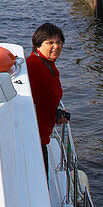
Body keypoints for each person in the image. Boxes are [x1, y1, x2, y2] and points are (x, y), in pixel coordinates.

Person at [25, 22, 69, 169]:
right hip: (34, 139)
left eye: (59, 42)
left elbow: (44, 99)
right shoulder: (34, 67)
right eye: (50, 42)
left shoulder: (47, 64)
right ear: (38, 45)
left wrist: (55, 114)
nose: (56, 46)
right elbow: (29, 103)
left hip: (42, 135)